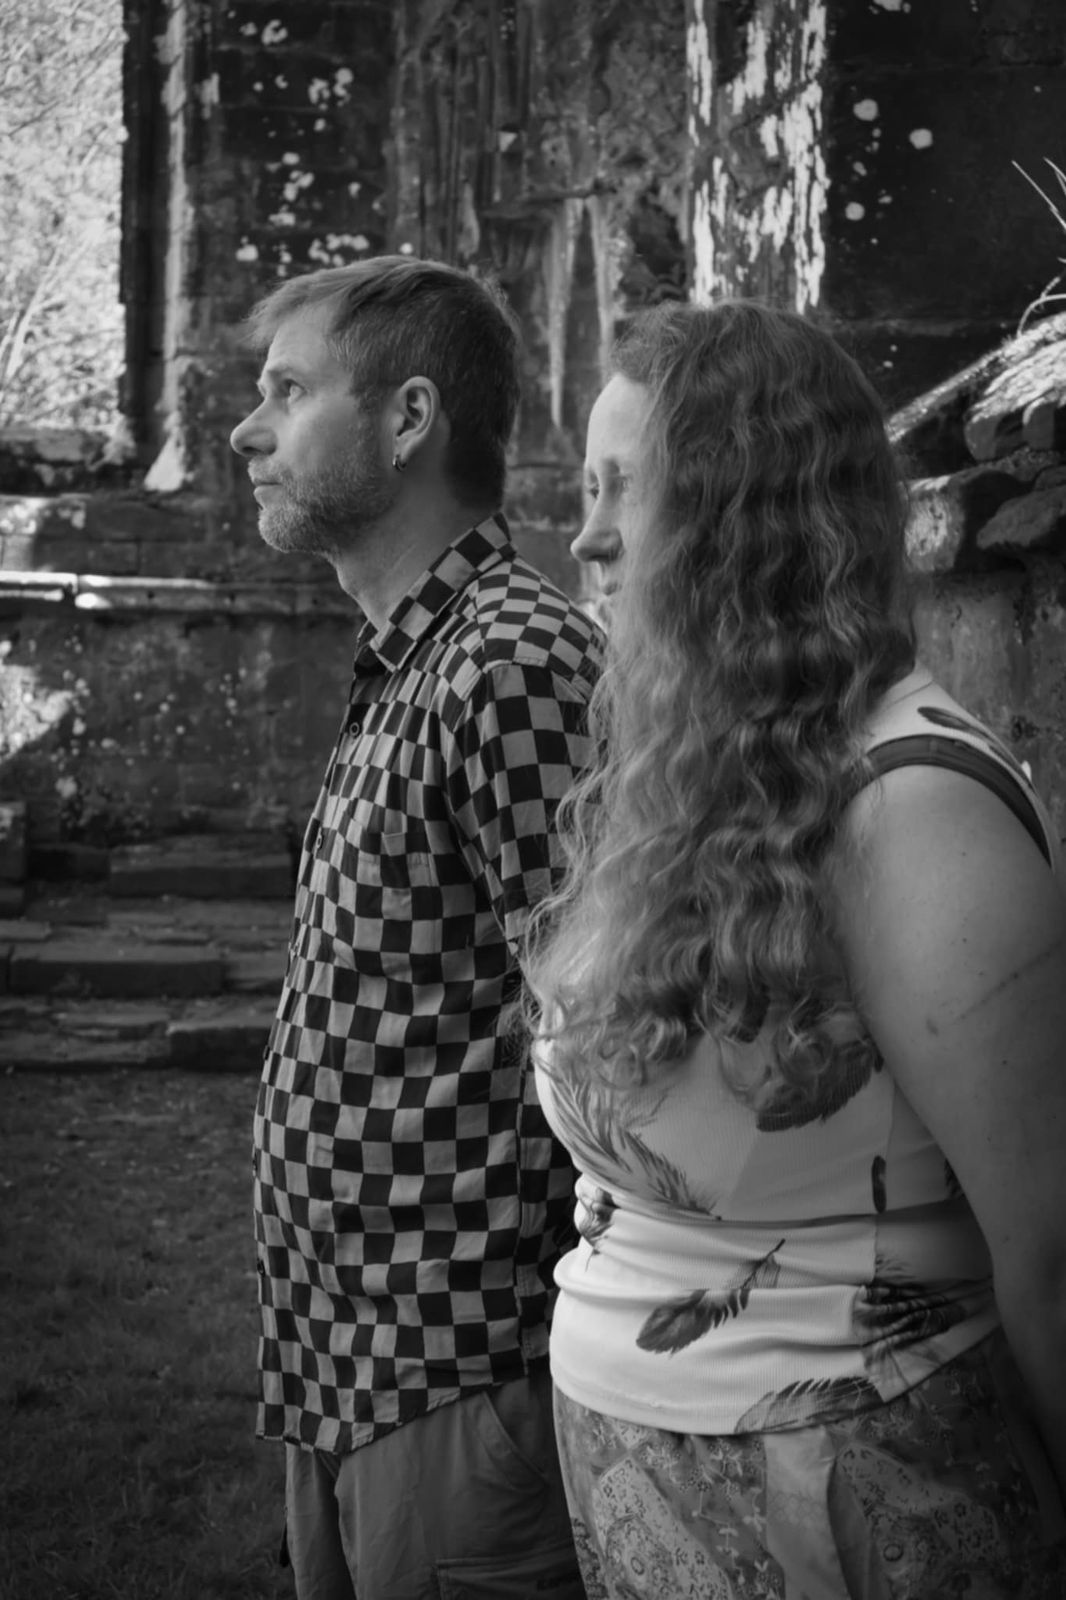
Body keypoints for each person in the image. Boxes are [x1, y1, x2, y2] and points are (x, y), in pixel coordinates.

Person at [525, 298, 1066, 1599]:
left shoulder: (914, 807)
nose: (587, 537)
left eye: (628, 490)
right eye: (587, 490)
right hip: (658, 1491)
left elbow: (1051, 1251)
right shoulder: (707, 778)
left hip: (859, 1502)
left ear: (745, 519)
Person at [229, 256, 600, 1600]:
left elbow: (604, 1030)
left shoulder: (511, 665)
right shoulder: (414, 655)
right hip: (340, 1358)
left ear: (408, 419)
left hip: (457, 1372)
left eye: (288, 392)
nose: (247, 431)